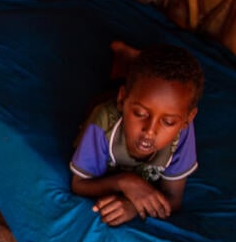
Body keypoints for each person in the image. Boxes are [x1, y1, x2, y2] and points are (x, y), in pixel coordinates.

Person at [69, 44, 203, 226]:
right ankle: (125, 60)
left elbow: (173, 199)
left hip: (131, 95)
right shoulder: (102, 125)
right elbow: (79, 183)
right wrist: (125, 182)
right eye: (140, 114)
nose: (150, 130)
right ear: (122, 100)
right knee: (107, 88)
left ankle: (131, 60)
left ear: (187, 119)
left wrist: (133, 205)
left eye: (168, 122)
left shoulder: (182, 132)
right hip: (108, 103)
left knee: (137, 88)